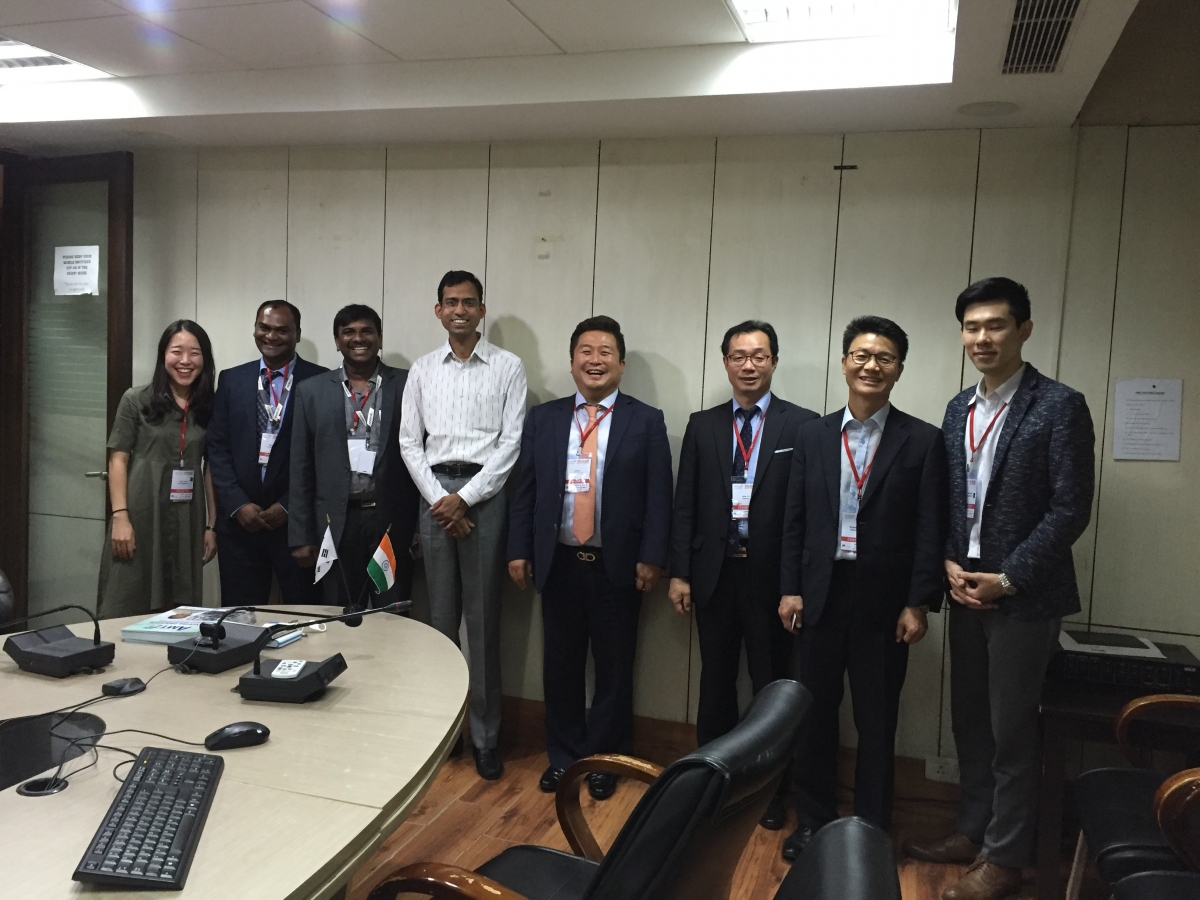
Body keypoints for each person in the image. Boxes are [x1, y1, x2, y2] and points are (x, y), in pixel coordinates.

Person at [907, 278, 1095, 900]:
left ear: (1024, 330)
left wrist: (1009, 578)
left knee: (1012, 729)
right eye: (971, 327)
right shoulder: (959, 407)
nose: (981, 338)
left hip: (1022, 594)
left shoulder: (1059, 405)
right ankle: (974, 829)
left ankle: (1007, 857)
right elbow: (948, 497)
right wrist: (947, 560)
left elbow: (1070, 508)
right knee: (970, 721)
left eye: (995, 325)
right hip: (965, 585)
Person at [778, 315, 947, 861]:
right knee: (814, 716)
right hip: (820, 596)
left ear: (899, 369)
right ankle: (813, 821)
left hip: (884, 605)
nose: (872, 366)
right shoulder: (813, 435)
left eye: (884, 358)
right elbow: (795, 520)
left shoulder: (923, 440)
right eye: (862, 356)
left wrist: (918, 602)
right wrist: (790, 588)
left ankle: (871, 828)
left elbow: (930, 529)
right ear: (845, 362)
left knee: (877, 722)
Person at [508, 316, 672, 800]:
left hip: (618, 565)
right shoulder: (545, 418)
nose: (595, 360)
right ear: (572, 361)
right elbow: (526, 490)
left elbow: (659, 496)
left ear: (620, 363)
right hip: (558, 561)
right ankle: (564, 757)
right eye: (586, 351)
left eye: (605, 352)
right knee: (559, 667)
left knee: (614, 669)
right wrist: (519, 549)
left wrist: (653, 556)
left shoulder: (647, 420)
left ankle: (605, 759)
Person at [668, 319, 818, 828]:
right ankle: (708, 785)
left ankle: (767, 790)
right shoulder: (703, 424)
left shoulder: (802, 425)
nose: (748, 365)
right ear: (725, 362)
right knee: (714, 682)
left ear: (774, 361)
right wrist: (680, 574)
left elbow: (806, 513)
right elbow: (685, 504)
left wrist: (795, 584)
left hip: (772, 580)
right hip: (714, 575)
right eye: (739, 356)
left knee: (770, 687)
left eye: (758, 356)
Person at [399, 271, 527, 781]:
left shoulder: (508, 367)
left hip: (485, 499)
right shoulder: (422, 369)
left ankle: (485, 739)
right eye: (450, 302)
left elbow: (511, 444)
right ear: (438, 310)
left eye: (468, 302)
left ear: (481, 309)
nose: (459, 310)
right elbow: (409, 442)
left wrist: (465, 499)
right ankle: (445, 736)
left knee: (483, 624)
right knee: (440, 625)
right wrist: (441, 500)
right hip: (434, 499)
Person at [289, 305, 419, 612]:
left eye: (366, 331)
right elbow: (301, 466)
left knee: (393, 614)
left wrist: (418, 527)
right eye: (348, 332)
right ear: (337, 341)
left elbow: (420, 456)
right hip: (336, 522)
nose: (358, 338)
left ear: (380, 338)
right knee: (341, 613)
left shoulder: (408, 384)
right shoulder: (312, 391)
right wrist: (301, 535)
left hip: (391, 521)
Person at [207, 301, 328, 605]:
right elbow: (217, 449)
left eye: (282, 330)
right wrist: (237, 504)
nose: (271, 336)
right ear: (255, 329)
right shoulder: (231, 380)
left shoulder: (321, 381)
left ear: (297, 334)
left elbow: (325, 455)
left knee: (306, 615)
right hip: (239, 526)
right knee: (240, 615)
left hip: (297, 526)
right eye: (264, 327)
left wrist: (288, 506)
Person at [98, 320, 218, 618]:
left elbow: (211, 468)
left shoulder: (210, 406)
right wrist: (120, 516)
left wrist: (211, 525)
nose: (185, 361)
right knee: (125, 599)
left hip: (188, 517)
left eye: (195, 353)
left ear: (205, 359)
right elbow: (117, 459)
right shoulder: (136, 400)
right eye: (177, 351)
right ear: (163, 355)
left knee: (179, 608)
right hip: (141, 512)